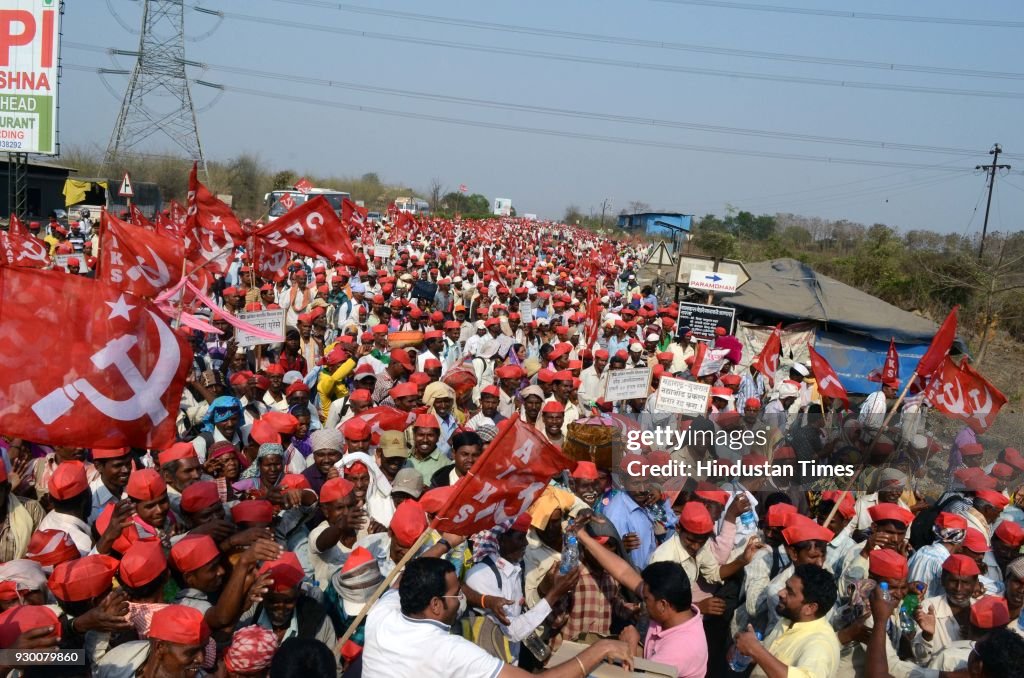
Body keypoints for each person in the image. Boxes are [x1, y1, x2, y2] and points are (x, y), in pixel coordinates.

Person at [361, 557, 635, 678]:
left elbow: (401, 580)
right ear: (435, 605)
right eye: (457, 594)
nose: (462, 599)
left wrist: (446, 543)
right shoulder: (450, 651)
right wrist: (601, 649)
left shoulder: (382, 612)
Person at [735, 563, 841, 678]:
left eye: (790, 592)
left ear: (810, 608)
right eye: (785, 586)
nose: (780, 593)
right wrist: (751, 650)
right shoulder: (791, 618)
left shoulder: (820, 646)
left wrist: (756, 650)